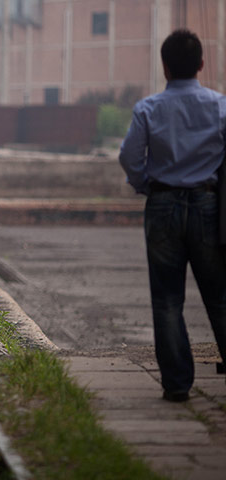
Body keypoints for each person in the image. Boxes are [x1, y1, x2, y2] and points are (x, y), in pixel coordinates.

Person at [119, 29, 226, 402]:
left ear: (164, 67)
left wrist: (147, 184)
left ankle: (178, 384)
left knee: (168, 300)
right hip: (209, 206)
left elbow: (130, 157)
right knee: (219, 296)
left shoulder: (148, 109)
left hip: (163, 206)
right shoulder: (220, 107)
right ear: (201, 64)